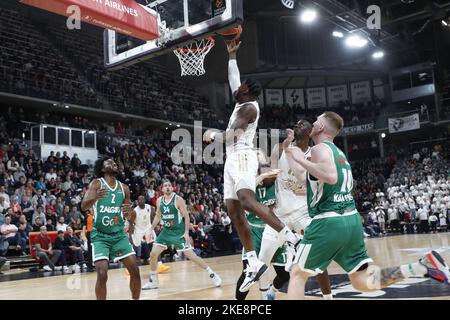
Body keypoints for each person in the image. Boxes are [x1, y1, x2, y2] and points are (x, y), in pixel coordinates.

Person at [281, 111, 450, 299]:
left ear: (320, 127)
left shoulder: (319, 149)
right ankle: (418, 267)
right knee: (362, 280)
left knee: (297, 274)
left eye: (315, 121)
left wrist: (300, 157)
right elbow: (305, 178)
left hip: (329, 222)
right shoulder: (339, 154)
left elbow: (329, 177)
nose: (312, 124)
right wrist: (289, 151)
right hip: (351, 222)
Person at [203, 40, 299, 292]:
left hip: (243, 155)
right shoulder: (241, 101)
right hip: (231, 160)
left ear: (247, 92)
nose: (236, 87)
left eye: (241, 87)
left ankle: (290, 237)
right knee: (234, 211)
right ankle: (254, 261)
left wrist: (213, 135)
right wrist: (232, 55)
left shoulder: (248, 109)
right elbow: (233, 77)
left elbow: (232, 136)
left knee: (246, 200)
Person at [258, 120, 332, 300]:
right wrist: (264, 168)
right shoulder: (280, 148)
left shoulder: (315, 155)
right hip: (280, 215)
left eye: (302, 125)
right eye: (296, 124)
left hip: (303, 214)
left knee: (318, 256)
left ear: (309, 133)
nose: (297, 126)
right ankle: (265, 297)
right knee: (262, 259)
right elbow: (268, 181)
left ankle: (328, 297)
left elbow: (325, 183)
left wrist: (308, 187)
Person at [142, 180, 222, 290]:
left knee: (192, 256)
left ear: (172, 188)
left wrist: (186, 233)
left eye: (169, 185)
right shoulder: (159, 200)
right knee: (153, 254)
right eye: (165, 186)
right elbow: (158, 216)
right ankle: (153, 281)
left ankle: (213, 274)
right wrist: (151, 228)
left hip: (178, 233)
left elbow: (186, 216)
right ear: (162, 189)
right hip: (166, 232)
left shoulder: (178, 199)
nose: (168, 187)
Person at [81, 158, 141, 300]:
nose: (114, 164)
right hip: (100, 236)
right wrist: (94, 197)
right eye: (109, 163)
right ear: (102, 169)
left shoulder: (124, 188)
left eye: (115, 162)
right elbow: (83, 206)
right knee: (102, 274)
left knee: (135, 270)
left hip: (119, 235)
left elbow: (130, 217)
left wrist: (130, 211)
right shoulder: (96, 184)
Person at [131, 195, 169, 273]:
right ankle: (131, 268)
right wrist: (131, 234)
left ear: (145, 200)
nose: (141, 201)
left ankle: (159, 265)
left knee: (156, 245)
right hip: (139, 230)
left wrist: (155, 226)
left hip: (148, 228)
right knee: (134, 248)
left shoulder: (150, 208)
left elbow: (153, 217)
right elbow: (131, 223)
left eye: (142, 199)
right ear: (137, 201)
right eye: (139, 200)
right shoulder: (135, 211)